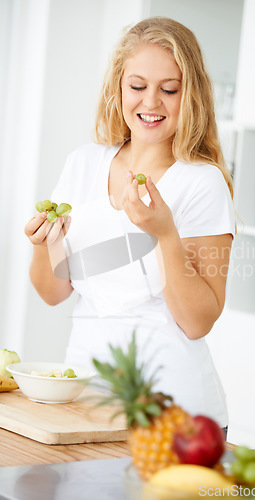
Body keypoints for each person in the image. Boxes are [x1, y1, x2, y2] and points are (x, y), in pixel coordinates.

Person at [24, 17, 235, 430]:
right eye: (137, 86)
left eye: (169, 89)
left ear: (189, 94)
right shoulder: (84, 164)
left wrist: (164, 233)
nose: (151, 103)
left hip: (173, 414)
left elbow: (197, 322)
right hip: (85, 403)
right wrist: (42, 243)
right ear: (118, 88)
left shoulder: (202, 182)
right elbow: (54, 292)